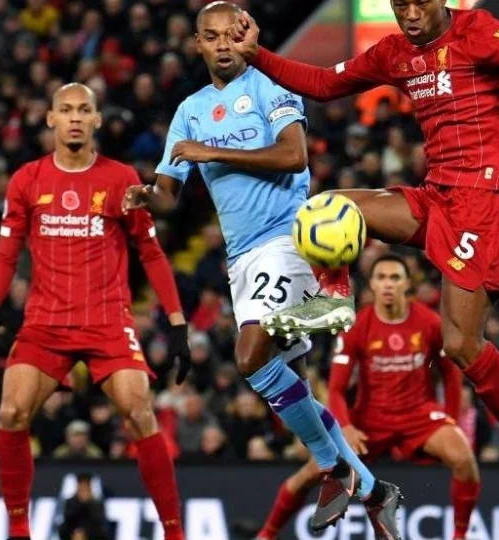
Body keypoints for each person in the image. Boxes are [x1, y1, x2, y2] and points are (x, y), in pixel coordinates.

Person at [226, 0, 499, 522]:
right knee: (327, 208)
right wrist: (256, 54)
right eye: (400, 5)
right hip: (439, 195)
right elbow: (325, 83)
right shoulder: (395, 52)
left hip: (490, 200)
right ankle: (333, 296)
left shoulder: (475, 31)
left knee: (461, 345)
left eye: (420, 3)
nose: (411, 14)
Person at [122, 3, 400, 534]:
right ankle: (374, 491)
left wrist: (212, 153)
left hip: (288, 237)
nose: (223, 45)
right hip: (241, 258)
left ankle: (333, 466)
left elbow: (294, 155)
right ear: (197, 45)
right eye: (211, 37)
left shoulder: (271, 86)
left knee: (250, 356)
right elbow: (170, 195)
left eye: (232, 35)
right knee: (290, 386)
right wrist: (145, 196)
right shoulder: (190, 111)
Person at [0, 83, 190, 540]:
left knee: (139, 411)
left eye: (84, 110)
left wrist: (177, 323)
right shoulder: (26, 180)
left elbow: (151, 253)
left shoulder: (120, 179)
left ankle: (174, 532)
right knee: (11, 412)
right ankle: (18, 530)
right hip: (45, 324)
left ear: (97, 119)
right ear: (51, 119)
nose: (75, 117)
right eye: (66, 110)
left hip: (107, 322)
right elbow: (6, 253)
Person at [257, 254, 480, 540]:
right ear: (372, 284)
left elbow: (451, 375)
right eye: (381, 278)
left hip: (419, 415)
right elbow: (336, 388)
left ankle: (460, 536)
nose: (388, 284)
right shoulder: (358, 326)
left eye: (395, 278)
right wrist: (346, 427)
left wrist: (451, 418)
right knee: (312, 472)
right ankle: (267, 534)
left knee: (463, 459)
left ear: (407, 284)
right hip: (369, 421)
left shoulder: (430, 322)